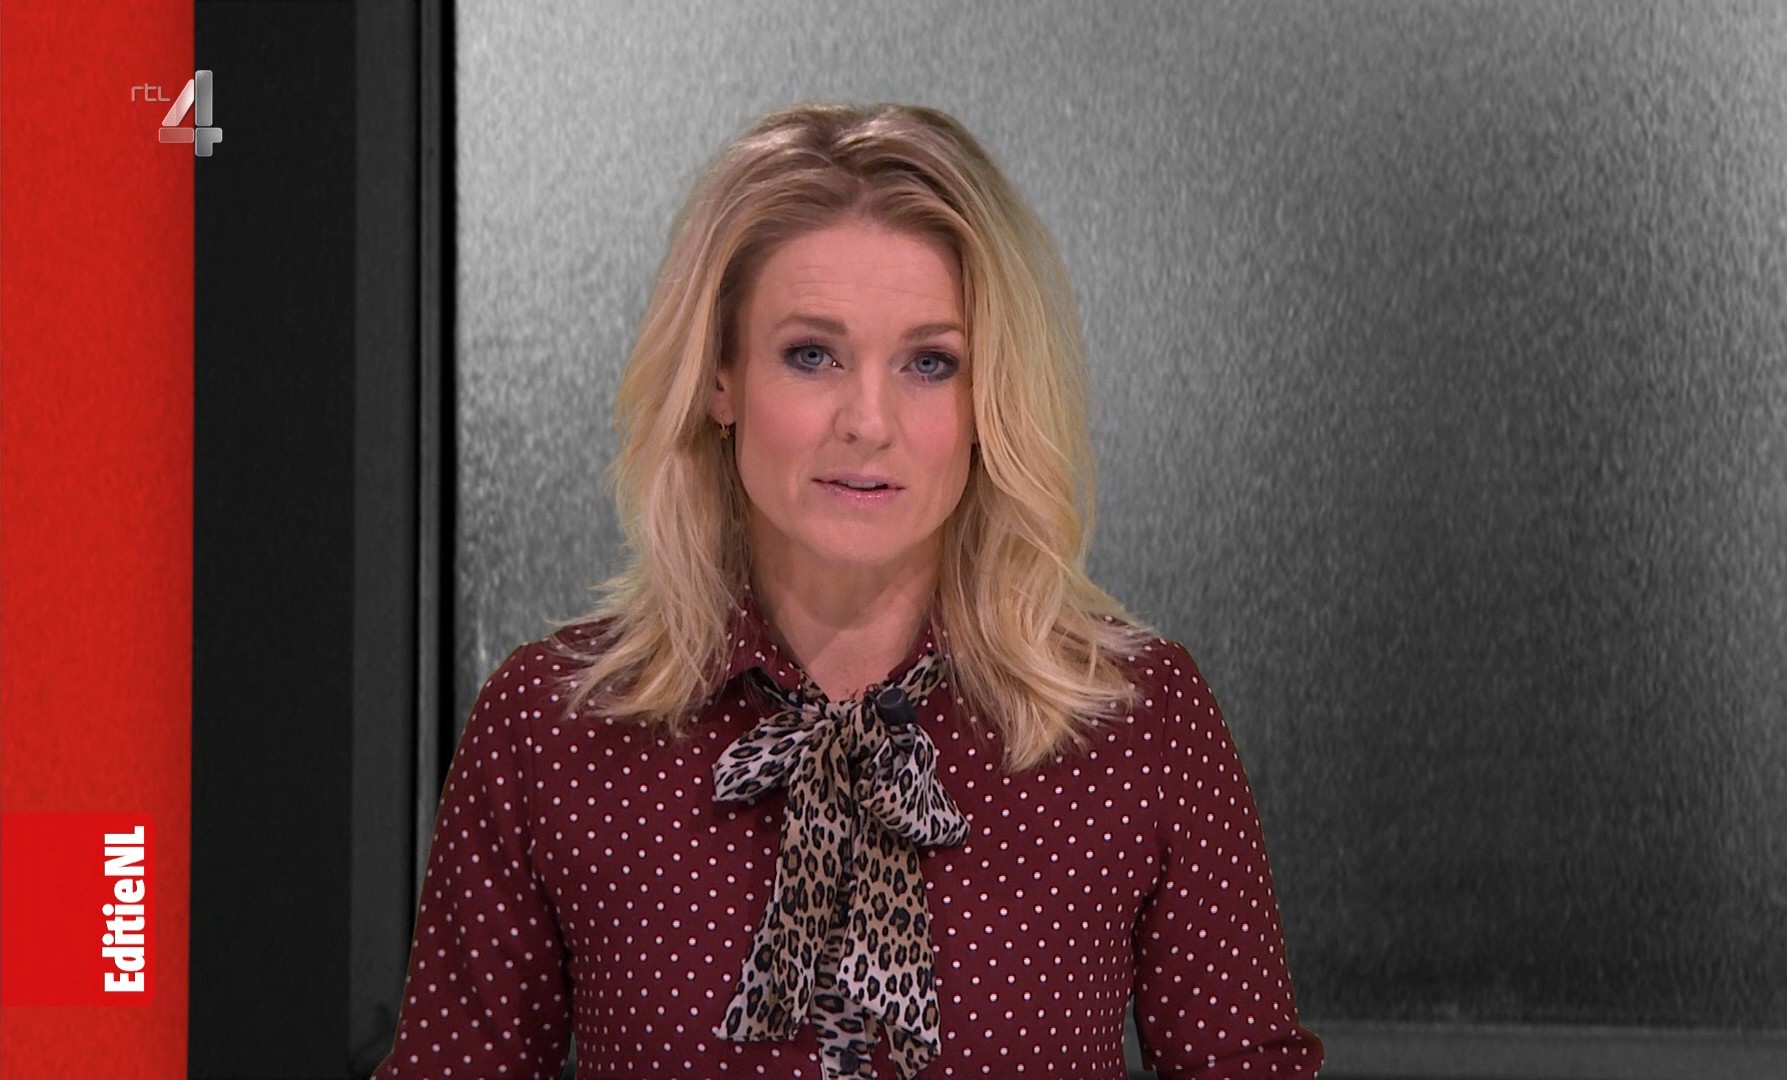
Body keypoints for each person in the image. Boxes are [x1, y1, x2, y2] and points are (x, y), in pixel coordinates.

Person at [375, 102, 1322, 1079]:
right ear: (720, 378)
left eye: (929, 363)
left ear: (989, 399)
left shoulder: (1139, 721)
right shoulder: (551, 727)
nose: (868, 421)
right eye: (812, 355)